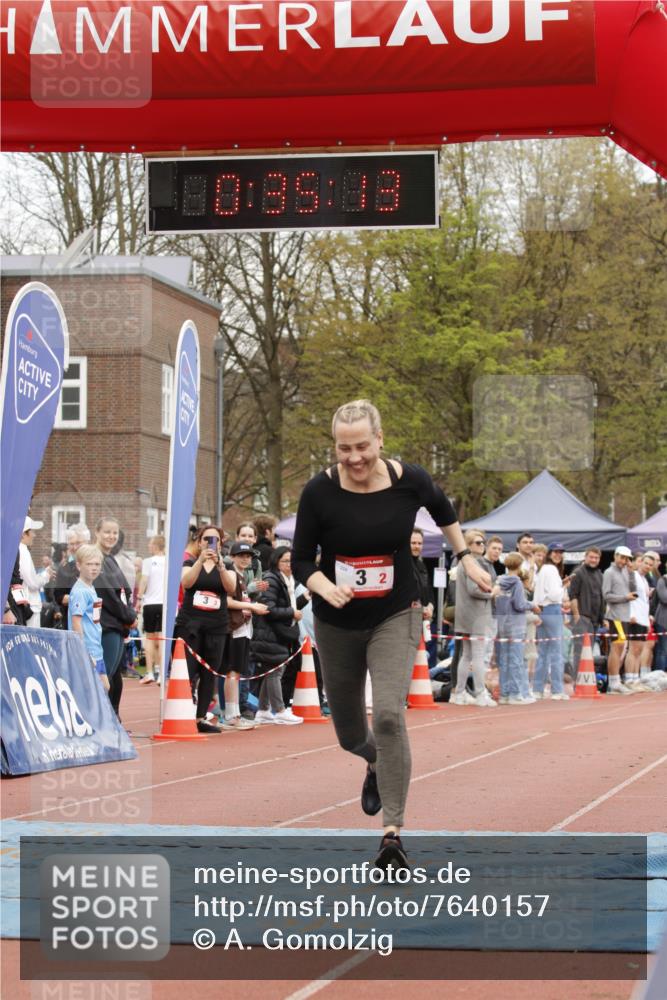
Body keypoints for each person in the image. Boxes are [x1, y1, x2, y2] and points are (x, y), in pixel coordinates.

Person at [292, 399, 491, 871]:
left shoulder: (411, 480)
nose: (355, 458)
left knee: (387, 715)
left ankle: (392, 834)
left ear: (380, 440)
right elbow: (301, 559)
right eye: (344, 449)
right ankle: (375, 763)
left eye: (362, 446)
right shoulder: (318, 492)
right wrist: (323, 585)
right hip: (336, 620)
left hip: (396, 612)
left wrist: (465, 558)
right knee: (348, 734)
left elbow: (445, 512)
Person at [175, 524, 236, 733]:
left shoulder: (227, 565)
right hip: (191, 624)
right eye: (207, 539)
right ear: (199, 542)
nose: (212, 543)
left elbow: (231, 588)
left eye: (216, 539)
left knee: (210, 672)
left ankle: (200, 717)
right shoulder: (190, 562)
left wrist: (219, 566)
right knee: (188, 670)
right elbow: (186, 583)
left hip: (216, 626)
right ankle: (182, 713)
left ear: (221, 543)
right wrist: (201, 561)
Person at [220, 540, 270, 730]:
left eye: (248, 556)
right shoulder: (232, 574)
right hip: (235, 629)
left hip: (243, 628)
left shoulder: (242, 576)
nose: (245, 559)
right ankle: (231, 716)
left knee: (236, 671)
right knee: (232, 671)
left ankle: (233, 714)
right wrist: (251, 606)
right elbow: (228, 601)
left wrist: (253, 605)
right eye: (241, 555)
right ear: (232, 557)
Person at [252, 547, 304, 725]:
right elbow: (269, 608)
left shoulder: (288, 580)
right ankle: (280, 710)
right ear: (276, 562)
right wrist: (291, 613)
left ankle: (263, 709)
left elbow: (289, 605)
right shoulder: (271, 579)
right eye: (285, 561)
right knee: (275, 669)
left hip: (279, 631)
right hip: (269, 631)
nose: (290, 565)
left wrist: (304, 598)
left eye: (291, 561)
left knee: (273, 669)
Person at [94, 517, 137, 717]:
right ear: (97, 532)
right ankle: (100, 719)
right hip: (106, 624)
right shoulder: (96, 558)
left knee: (115, 675)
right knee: (105, 675)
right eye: (107, 532)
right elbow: (108, 596)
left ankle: (113, 718)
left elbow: (124, 591)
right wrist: (129, 615)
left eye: (115, 533)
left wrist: (129, 613)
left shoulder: (111, 559)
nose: (111, 536)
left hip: (118, 624)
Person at [450, 531, 498, 708]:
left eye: (483, 542)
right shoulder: (473, 563)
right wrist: (492, 593)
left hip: (467, 615)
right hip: (475, 615)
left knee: (467, 655)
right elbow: (473, 590)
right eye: (478, 542)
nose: (482, 545)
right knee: (476, 654)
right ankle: (480, 693)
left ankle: (460, 692)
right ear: (468, 545)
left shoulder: (464, 563)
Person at [68, 544, 109, 691]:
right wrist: (83, 651)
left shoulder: (90, 588)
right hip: (87, 650)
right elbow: (76, 622)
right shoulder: (80, 591)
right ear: (79, 566)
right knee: (96, 690)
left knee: (104, 688)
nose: (94, 568)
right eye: (89, 564)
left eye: (97, 564)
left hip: (95, 648)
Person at [495, 552, 534, 705]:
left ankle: (504, 694)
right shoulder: (517, 582)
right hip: (516, 624)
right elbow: (519, 604)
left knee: (504, 660)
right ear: (519, 566)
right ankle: (516, 694)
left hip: (502, 624)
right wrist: (532, 605)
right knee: (516, 660)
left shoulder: (499, 581)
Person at [531, 543, 568, 699]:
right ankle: (557, 690)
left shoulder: (543, 569)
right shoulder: (551, 570)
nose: (558, 555)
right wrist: (564, 587)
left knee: (543, 652)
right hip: (552, 609)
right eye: (555, 552)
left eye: (560, 552)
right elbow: (554, 595)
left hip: (541, 610)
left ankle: (538, 689)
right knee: (556, 652)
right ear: (550, 553)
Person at [602, 545, 638, 695]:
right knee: (617, 648)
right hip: (615, 615)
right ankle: (614, 682)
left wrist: (630, 573)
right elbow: (606, 595)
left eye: (627, 558)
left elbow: (633, 589)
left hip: (624, 615)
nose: (624, 561)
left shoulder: (626, 571)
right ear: (616, 556)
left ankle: (615, 681)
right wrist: (625, 598)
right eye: (622, 557)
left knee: (621, 648)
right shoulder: (609, 572)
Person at [568, 547, 604, 677]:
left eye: (596, 558)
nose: (594, 560)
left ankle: (585, 679)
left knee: (589, 652)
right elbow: (573, 596)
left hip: (595, 620)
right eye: (591, 557)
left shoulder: (600, 574)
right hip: (582, 618)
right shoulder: (578, 572)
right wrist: (577, 616)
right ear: (586, 557)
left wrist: (602, 618)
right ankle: (577, 680)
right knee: (579, 651)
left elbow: (601, 597)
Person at [137, 535, 166, 685]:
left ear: (155, 545)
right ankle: (161, 673)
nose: (148, 546)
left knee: (150, 638)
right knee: (161, 639)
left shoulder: (148, 562)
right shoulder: (169, 561)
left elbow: (144, 579)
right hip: (164, 604)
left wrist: (139, 598)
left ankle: (150, 672)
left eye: (150, 544)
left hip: (150, 603)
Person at [19, 516, 53, 626]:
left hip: (26, 606)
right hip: (30, 607)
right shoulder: (23, 551)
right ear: (24, 534)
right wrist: (46, 575)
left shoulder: (20, 550)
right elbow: (33, 583)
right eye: (32, 531)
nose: (34, 535)